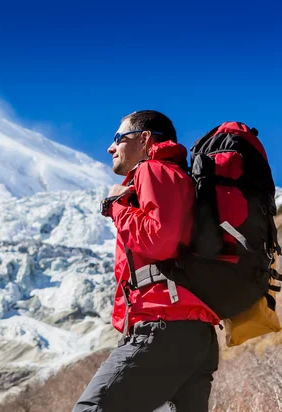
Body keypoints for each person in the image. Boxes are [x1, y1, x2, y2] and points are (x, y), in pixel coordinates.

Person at [72, 111, 220, 412]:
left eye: (117, 139)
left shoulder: (153, 169)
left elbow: (160, 240)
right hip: (191, 335)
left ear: (144, 139)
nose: (110, 149)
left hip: (164, 330)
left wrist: (115, 207)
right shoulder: (175, 178)